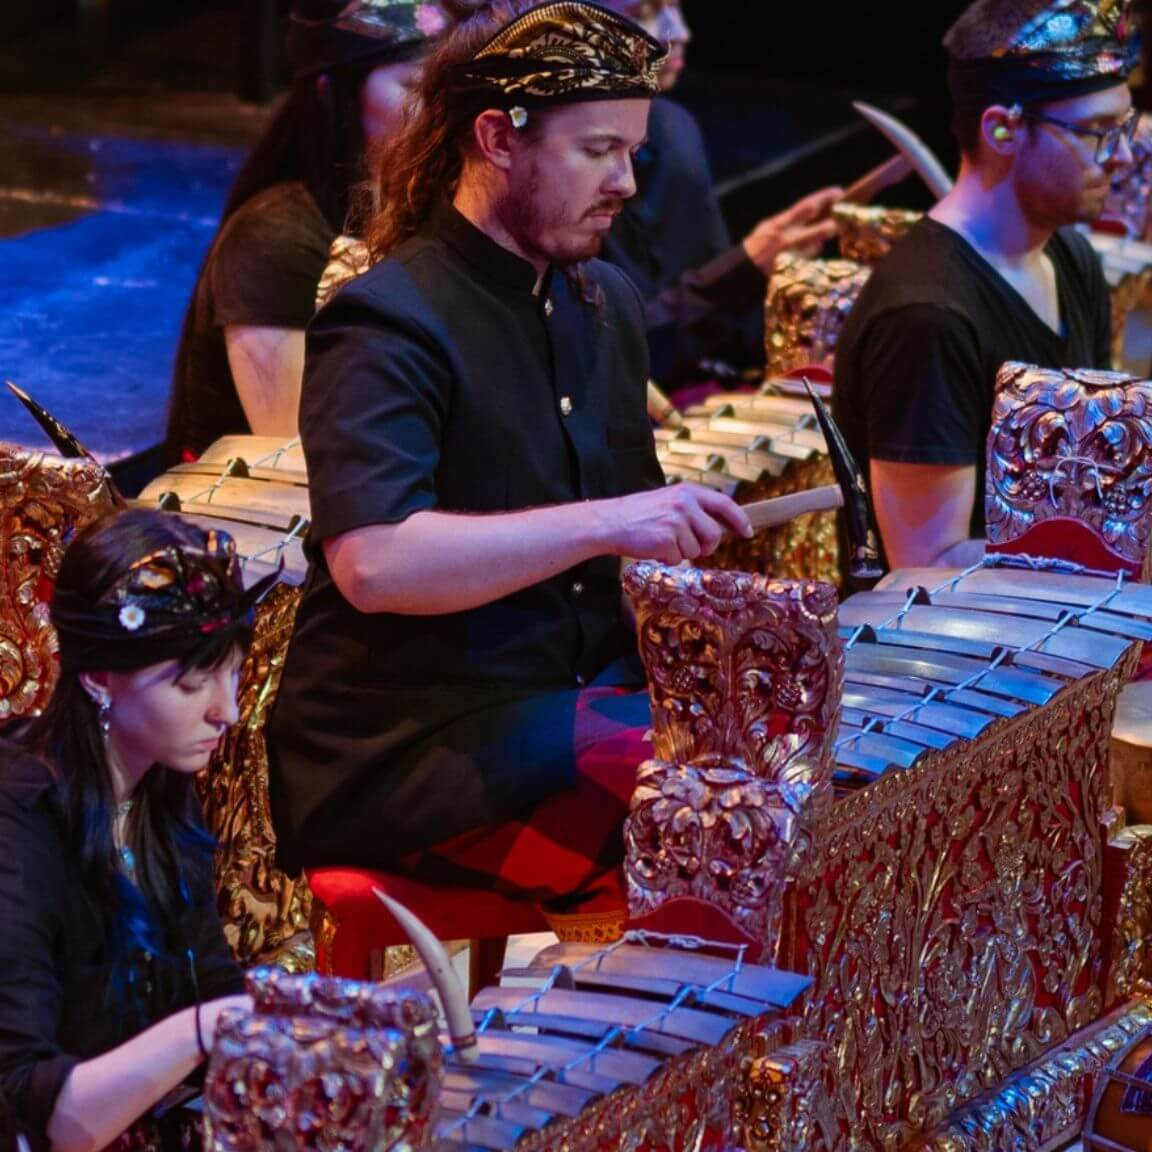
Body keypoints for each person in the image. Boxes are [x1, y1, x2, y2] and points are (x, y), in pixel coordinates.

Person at [267, 0, 752, 941]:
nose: (625, 183)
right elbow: (375, 564)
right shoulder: (389, 320)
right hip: (410, 749)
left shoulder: (603, 299)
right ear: (497, 137)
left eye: (633, 153)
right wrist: (615, 522)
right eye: (597, 151)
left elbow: (616, 565)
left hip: (562, 711)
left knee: (768, 758)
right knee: (691, 803)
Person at [0, 508, 274, 1152]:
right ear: (98, 678)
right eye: (192, 683)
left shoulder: (159, 781)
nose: (227, 711)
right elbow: (39, 1116)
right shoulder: (17, 826)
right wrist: (205, 1030)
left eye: (232, 674)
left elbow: (210, 978)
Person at [833, 0, 1136, 572]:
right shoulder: (927, 316)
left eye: (1121, 128)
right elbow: (926, 563)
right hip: (954, 650)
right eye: (1097, 132)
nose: (1121, 157)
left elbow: (1099, 478)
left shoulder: (1071, 256)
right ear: (1002, 129)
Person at [163, 0, 451, 463]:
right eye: (415, 87)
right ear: (331, 90)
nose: (441, 112)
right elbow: (297, 462)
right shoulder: (273, 242)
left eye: (449, 89)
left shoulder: (440, 209)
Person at [592, 0, 844, 385]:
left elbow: (713, 330)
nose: (680, 33)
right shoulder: (557, 164)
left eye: (675, 8)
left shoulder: (676, 130)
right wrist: (745, 266)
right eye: (645, 10)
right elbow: (608, 357)